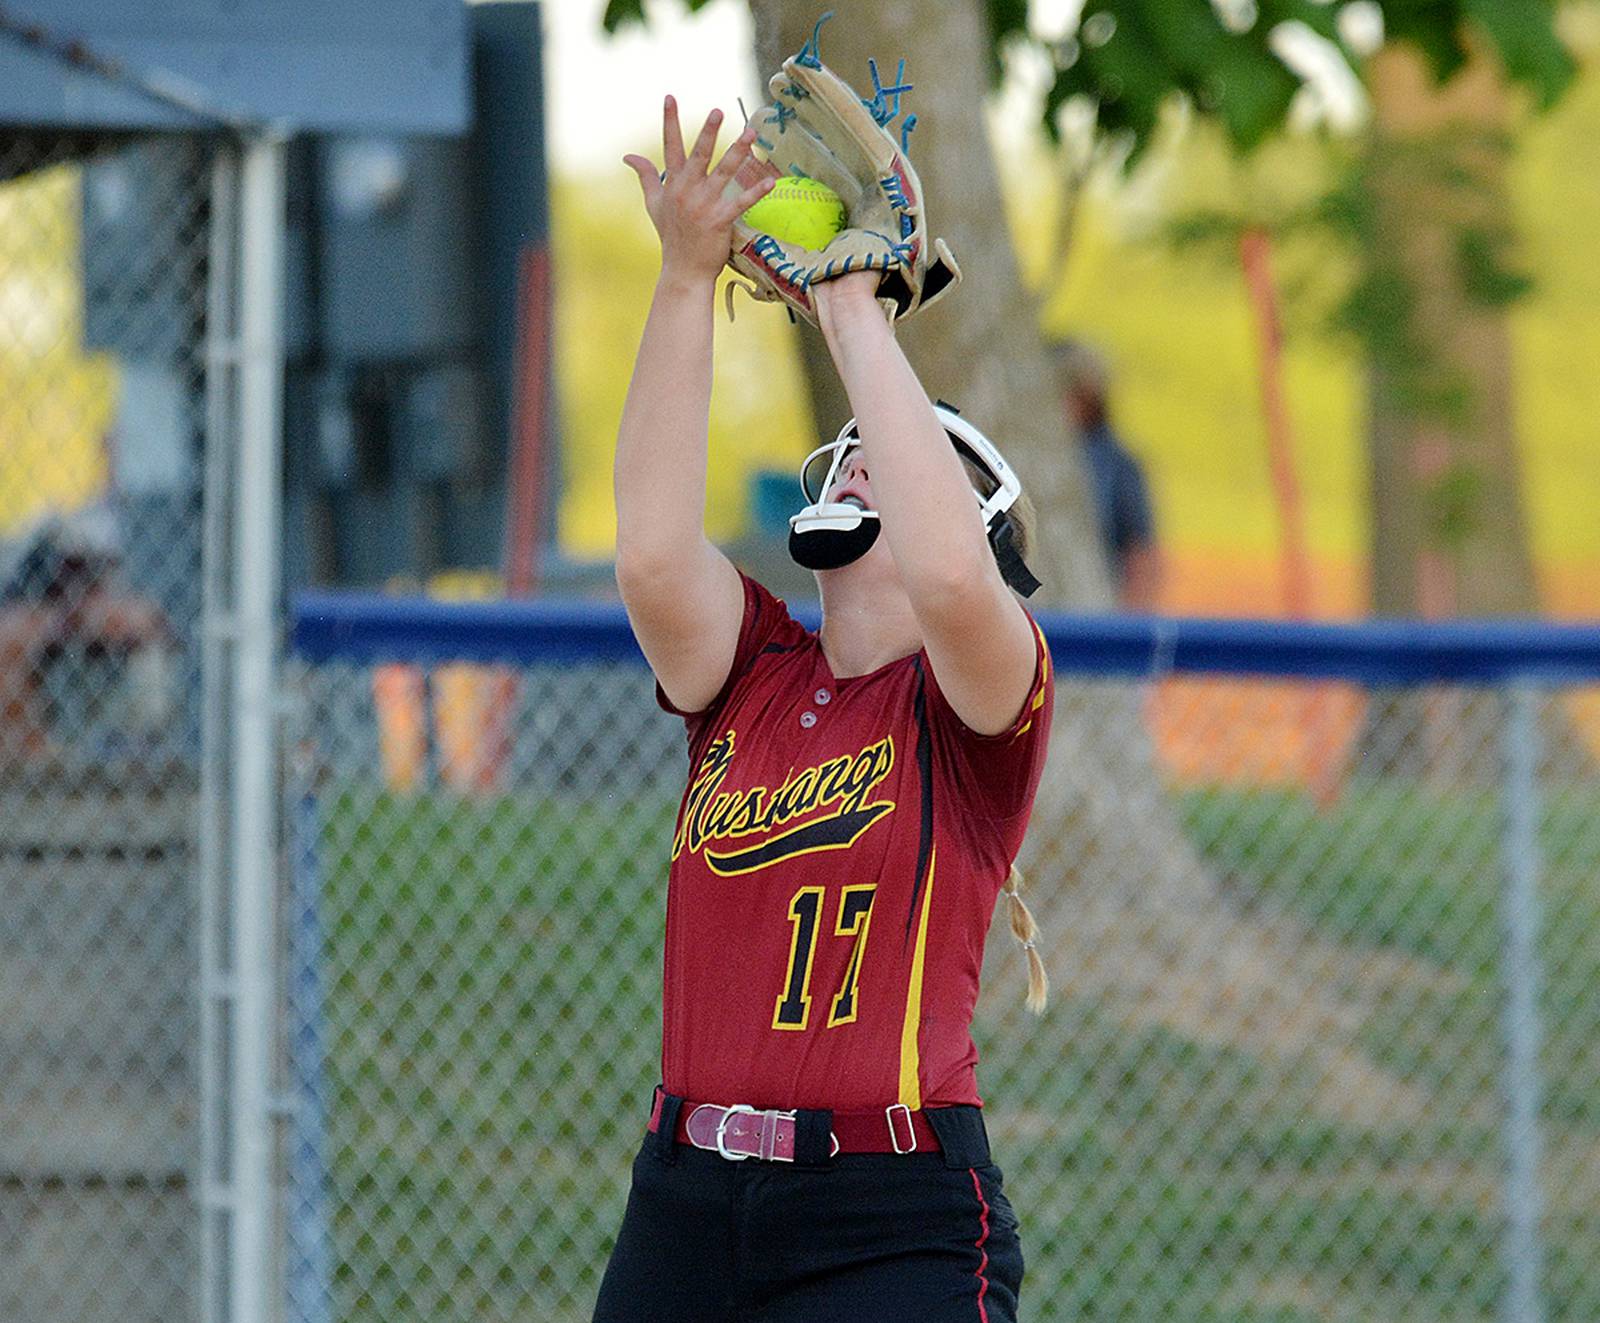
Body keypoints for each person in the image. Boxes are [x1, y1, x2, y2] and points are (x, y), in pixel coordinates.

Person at [595, 96, 1055, 1323]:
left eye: (909, 453)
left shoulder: (973, 706)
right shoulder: (754, 671)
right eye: (851, 445)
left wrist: (853, 305)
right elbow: (648, 555)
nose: (863, 451)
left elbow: (953, 577)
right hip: (683, 1204)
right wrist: (688, 276)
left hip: (887, 1210)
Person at [1052, 338, 1163, 611]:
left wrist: (1130, 622)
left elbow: (1141, 552)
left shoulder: (1117, 464)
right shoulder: (1033, 454)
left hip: (1097, 606)